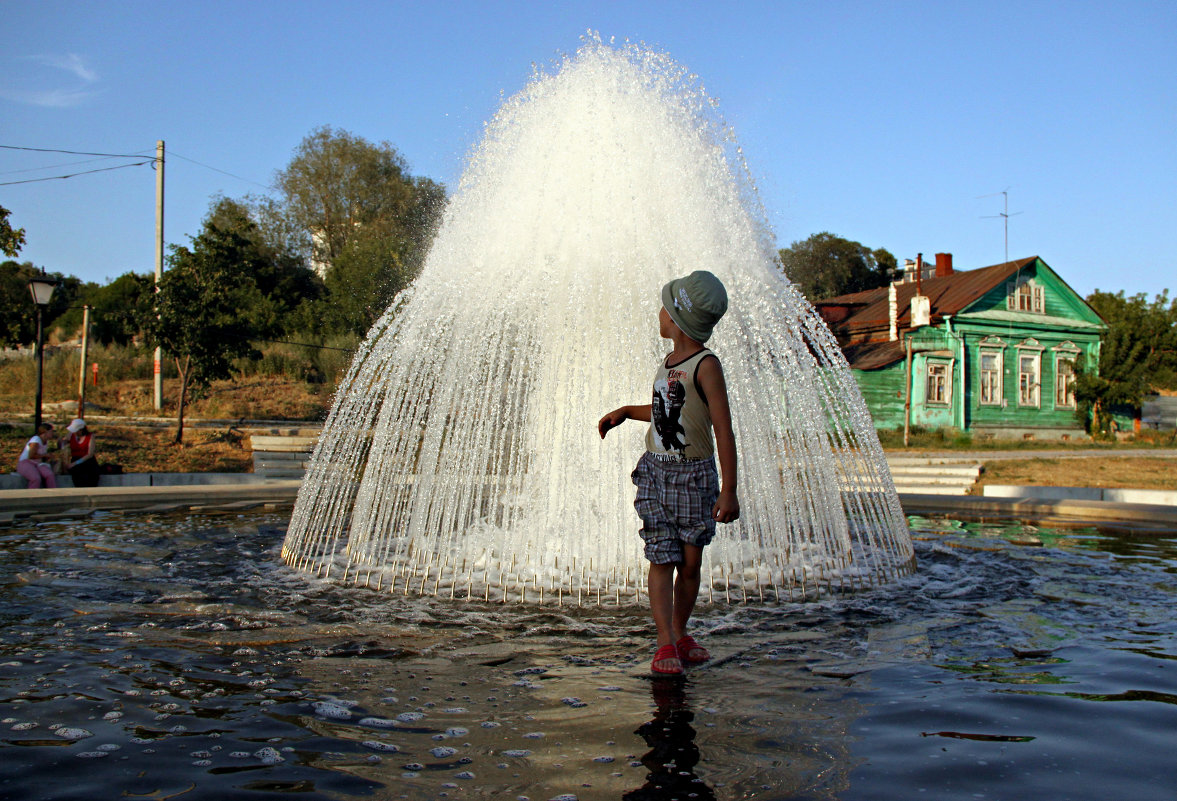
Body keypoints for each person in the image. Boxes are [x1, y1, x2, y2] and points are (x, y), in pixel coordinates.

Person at [599, 270, 739, 675]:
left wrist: (728, 489)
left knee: (690, 565)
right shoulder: (668, 363)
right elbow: (663, 412)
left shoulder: (706, 366)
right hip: (657, 474)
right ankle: (664, 642)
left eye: (664, 306)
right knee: (661, 558)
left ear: (677, 318)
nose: (658, 313)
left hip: (695, 478)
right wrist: (627, 411)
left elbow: (723, 428)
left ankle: (679, 631)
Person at [60, 418, 101, 488]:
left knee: (90, 474)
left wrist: (75, 463)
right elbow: (62, 444)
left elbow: (90, 454)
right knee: (77, 474)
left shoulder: (90, 437)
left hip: (86, 460)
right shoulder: (71, 435)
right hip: (75, 458)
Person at [17, 423, 58, 489]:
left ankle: (52, 493)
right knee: (35, 478)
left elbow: (41, 456)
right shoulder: (36, 440)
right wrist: (45, 455)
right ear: (45, 431)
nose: (52, 433)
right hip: (26, 462)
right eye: (51, 431)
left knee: (49, 475)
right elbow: (31, 456)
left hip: (37, 463)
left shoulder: (46, 442)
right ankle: (31, 496)